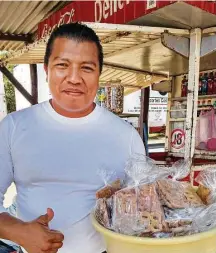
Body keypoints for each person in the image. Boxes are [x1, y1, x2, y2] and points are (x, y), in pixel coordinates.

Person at [0, 22, 145, 253]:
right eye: (62, 65)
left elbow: (143, 207)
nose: (74, 78)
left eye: (86, 68)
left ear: (99, 73)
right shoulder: (14, 127)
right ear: (46, 69)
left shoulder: (126, 136)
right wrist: (18, 231)